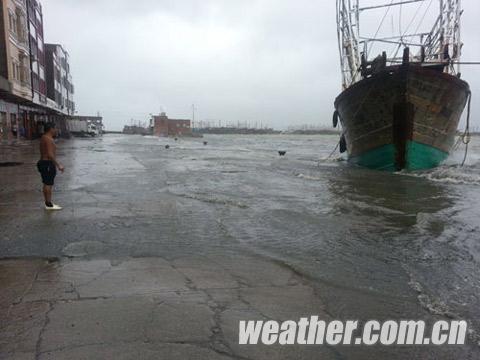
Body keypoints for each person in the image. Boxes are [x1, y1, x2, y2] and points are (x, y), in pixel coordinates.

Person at [37, 122, 65, 210]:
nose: (56, 130)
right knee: (48, 184)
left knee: (46, 183)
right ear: (51, 129)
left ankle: (48, 203)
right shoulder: (49, 139)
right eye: (55, 128)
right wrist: (58, 165)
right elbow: (50, 154)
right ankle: (49, 205)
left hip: (43, 162)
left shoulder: (43, 137)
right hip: (47, 164)